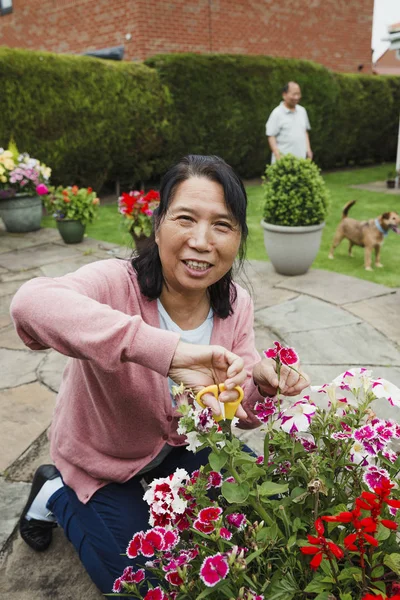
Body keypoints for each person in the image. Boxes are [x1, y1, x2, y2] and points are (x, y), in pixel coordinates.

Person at [10, 154, 309, 596]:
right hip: (106, 462)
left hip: (182, 449)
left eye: (223, 225)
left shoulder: (236, 303)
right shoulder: (116, 283)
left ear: (240, 237)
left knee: (268, 524)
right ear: (158, 224)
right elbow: (30, 305)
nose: (203, 241)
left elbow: (240, 408)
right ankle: (54, 490)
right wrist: (166, 353)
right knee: (143, 585)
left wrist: (260, 384)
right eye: (186, 218)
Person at [266, 81, 313, 163]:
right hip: (283, 162)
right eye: (294, 94)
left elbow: (305, 131)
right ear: (284, 95)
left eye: (298, 94)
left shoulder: (302, 111)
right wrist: (277, 155)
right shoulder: (277, 113)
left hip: (300, 161)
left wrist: (308, 149)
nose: (297, 97)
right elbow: (271, 136)